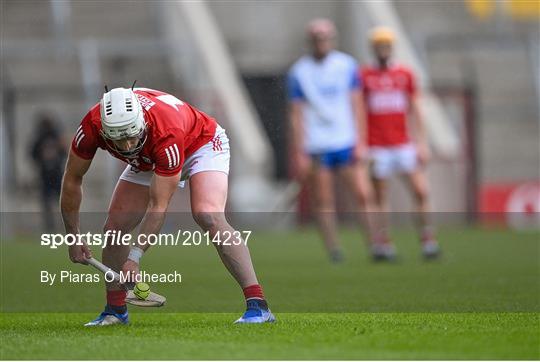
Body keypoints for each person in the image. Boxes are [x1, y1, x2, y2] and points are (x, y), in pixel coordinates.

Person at [61, 86, 275, 325]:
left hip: (200, 144)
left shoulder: (165, 130)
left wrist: (135, 257)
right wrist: (73, 237)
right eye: (119, 140)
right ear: (105, 130)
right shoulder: (91, 126)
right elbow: (72, 179)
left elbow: (159, 205)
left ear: (141, 121)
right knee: (114, 229)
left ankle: (259, 306)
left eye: (132, 136)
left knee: (207, 215)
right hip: (148, 157)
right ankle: (115, 311)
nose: (128, 146)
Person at [287, 19, 376, 263]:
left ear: (332, 39)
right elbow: (296, 114)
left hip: (345, 140)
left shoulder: (346, 65)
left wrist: (361, 140)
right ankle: (334, 249)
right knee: (324, 200)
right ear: (310, 42)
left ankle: (375, 245)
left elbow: (357, 104)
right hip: (317, 144)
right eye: (317, 38)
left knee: (362, 194)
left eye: (325, 37)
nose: (321, 42)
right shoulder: (299, 71)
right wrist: (300, 151)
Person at [360, 26, 440, 260]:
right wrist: (363, 144)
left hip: (403, 143)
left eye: (387, 45)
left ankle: (428, 241)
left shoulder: (405, 74)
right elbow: (358, 112)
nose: (383, 49)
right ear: (373, 48)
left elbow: (416, 109)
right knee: (381, 196)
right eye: (379, 45)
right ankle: (384, 243)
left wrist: (422, 143)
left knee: (421, 190)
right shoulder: (365, 76)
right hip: (377, 146)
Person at [30, 113, 67, 231]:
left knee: (62, 202)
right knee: (47, 203)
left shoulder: (56, 136)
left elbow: (65, 152)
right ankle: (50, 228)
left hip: (56, 174)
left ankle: (66, 226)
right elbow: (33, 154)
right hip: (45, 175)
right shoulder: (40, 138)